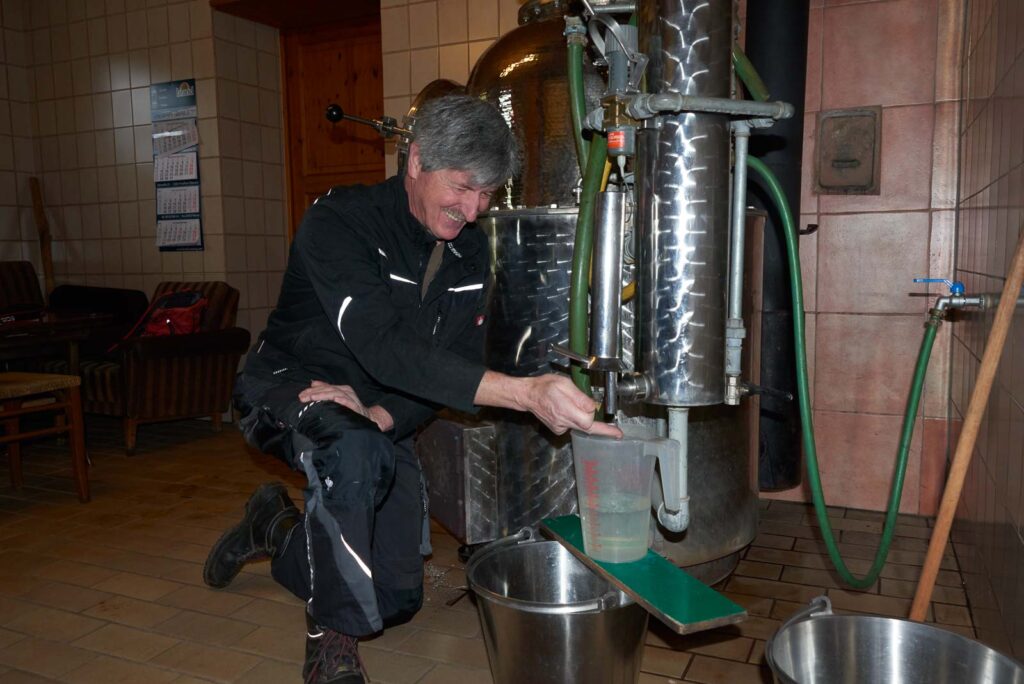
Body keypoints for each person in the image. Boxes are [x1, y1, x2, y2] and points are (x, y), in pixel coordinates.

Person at [202, 95, 620, 684]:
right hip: (289, 386)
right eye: (463, 187)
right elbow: (384, 345)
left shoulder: (470, 251)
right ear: (417, 160)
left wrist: (383, 414)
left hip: (374, 410)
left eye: (487, 194)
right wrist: (527, 394)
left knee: (394, 600)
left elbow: (445, 365)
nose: (473, 210)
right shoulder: (339, 222)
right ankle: (331, 651)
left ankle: (273, 527)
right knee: (352, 453)